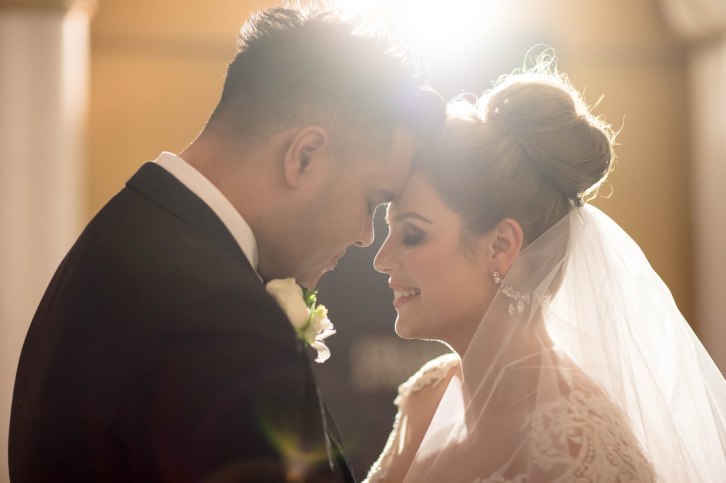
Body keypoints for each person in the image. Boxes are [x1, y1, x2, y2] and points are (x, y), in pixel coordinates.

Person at [9, 6, 444, 482]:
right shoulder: (221, 320)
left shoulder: (118, 236)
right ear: (304, 157)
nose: (365, 236)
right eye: (372, 200)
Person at [365, 60, 726, 482]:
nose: (381, 259)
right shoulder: (427, 397)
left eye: (411, 235)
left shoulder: (577, 443)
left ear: (501, 246)